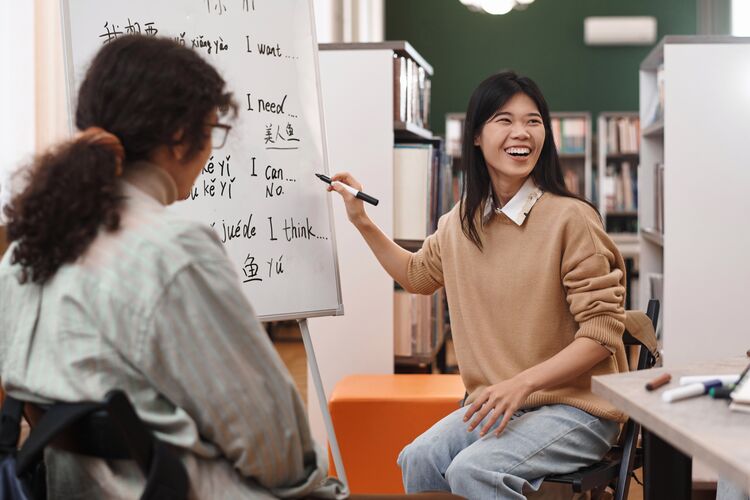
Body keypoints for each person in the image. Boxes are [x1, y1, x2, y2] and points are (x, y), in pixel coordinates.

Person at [0, 35, 343, 499]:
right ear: (181, 137)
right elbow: (275, 447)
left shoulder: (26, 250)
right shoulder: (174, 253)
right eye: (213, 132)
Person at [328, 71, 628, 499]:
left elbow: (601, 334)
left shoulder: (572, 219)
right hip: (501, 407)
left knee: (474, 470)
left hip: (577, 410)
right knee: (419, 458)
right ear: (476, 136)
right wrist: (361, 221)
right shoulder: (459, 224)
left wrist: (522, 383)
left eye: (533, 120)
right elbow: (416, 276)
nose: (521, 132)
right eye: (504, 120)